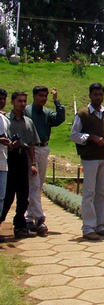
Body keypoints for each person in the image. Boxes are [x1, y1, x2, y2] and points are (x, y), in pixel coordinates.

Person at [70, 83, 104, 241]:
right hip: (90, 157)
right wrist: (90, 137)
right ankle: (88, 227)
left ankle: (100, 225)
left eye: (100, 94)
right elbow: (74, 135)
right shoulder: (82, 114)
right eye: (95, 94)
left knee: (101, 193)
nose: (98, 97)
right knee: (89, 192)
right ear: (90, 95)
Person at [24, 86, 65, 236]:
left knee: (38, 184)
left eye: (45, 96)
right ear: (34, 96)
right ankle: (40, 218)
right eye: (40, 96)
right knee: (34, 184)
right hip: (31, 149)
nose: (43, 99)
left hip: (44, 148)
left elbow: (60, 119)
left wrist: (57, 102)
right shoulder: (27, 111)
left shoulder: (46, 113)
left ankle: (29, 217)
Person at [0, 91, 40, 238]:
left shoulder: (28, 122)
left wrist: (33, 163)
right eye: (19, 101)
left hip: (22, 157)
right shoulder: (5, 119)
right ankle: (1, 220)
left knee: (24, 194)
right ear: (12, 102)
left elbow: (31, 145)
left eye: (24, 101)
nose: (22, 104)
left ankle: (20, 224)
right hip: (9, 157)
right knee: (7, 194)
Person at [0, 89, 11, 242]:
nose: (1, 101)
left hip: (3, 161)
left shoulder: (5, 119)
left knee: (1, 197)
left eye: (3, 98)